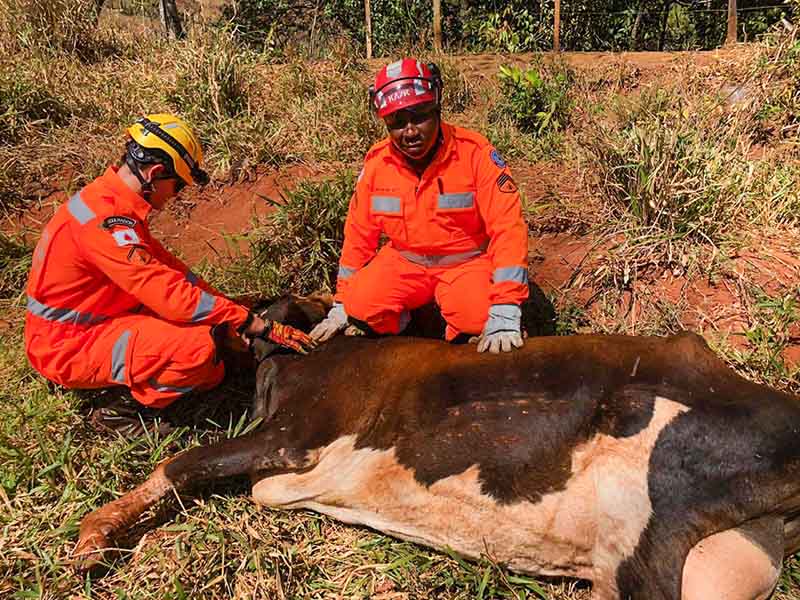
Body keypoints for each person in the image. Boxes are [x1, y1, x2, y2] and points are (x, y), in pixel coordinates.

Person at [24, 114, 315, 410]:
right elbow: (169, 295)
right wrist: (256, 325)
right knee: (200, 353)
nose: (176, 196)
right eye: (177, 186)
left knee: (212, 342)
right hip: (67, 345)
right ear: (156, 173)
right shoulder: (107, 224)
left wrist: (231, 311)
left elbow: (174, 275)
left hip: (99, 316)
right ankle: (126, 410)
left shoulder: (111, 202)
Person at [310, 58, 529, 353]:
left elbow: (508, 230)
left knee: (480, 317)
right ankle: (406, 321)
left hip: (464, 263)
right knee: (359, 305)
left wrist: (506, 306)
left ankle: (460, 319)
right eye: (397, 122)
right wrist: (342, 302)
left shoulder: (475, 154)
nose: (410, 131)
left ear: (437, 107)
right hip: (404, 262)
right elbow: (359, 235)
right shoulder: (377, 164)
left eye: (419, 116)